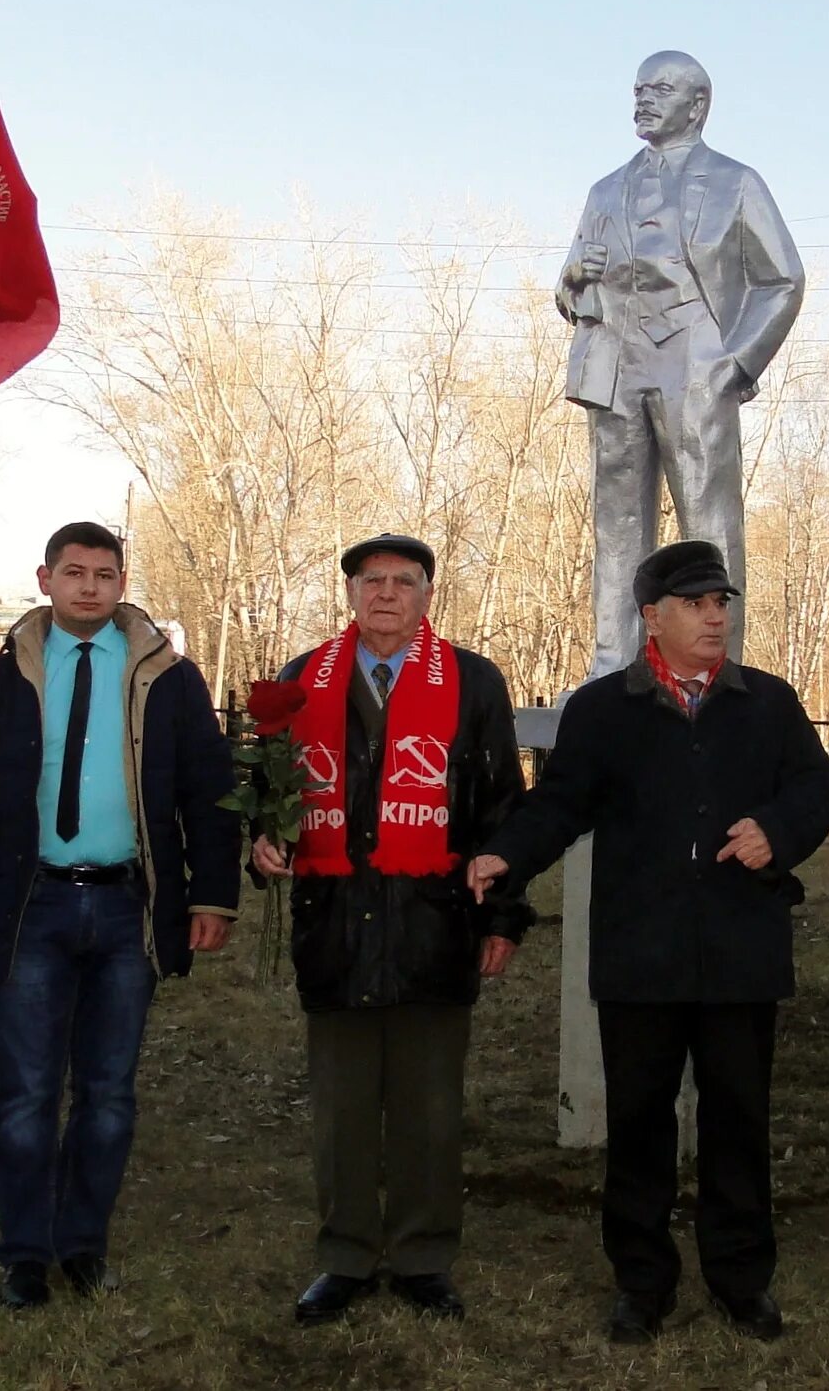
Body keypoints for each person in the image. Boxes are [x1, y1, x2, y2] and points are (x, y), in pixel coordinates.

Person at [469, 539, 829, 1344]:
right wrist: (508, 855)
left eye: (722, 603)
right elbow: (560, 804)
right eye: (698, 604)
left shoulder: (768, 703)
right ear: (653, 616)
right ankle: (642, 1281)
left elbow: (819, 787)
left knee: (739, 1120)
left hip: (741, 953)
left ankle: (742, 1279)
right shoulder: (605, 710)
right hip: (642, 955)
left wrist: (776, 830)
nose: (716, 617)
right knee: (639, 1124)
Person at [0, 521, 240, 1309]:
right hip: (32, 904)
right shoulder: (2, 681)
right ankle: (25, 1253)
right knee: (27, 1089)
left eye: (105, 573)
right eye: (74, 571)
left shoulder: (170, 680)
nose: (89, 586)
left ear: (121, 582)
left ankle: (83, 1245)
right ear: (46, 578)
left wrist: (210, 892)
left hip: (129, 908)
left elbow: (209, 792)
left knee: (108, 1090)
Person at [250, 532, 535, 1327]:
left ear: (426, 597)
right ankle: (344, 1253)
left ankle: (422, 1255)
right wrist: (263, 841)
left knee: (429, 1104)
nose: (385, 594)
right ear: (348, 594)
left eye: (403, 582)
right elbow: (268, 790)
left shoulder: (473, 681)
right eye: (369, 580)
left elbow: (501, 809)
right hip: (335, 922)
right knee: (341, 1105)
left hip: (434, 923)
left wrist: (503, 913)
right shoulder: (301, 678)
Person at [558, 51, 806, 675]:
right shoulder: (605, 189)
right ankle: (613, 666)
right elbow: (568, 292)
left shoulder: (736, 182)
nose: (642, 99)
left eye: (659, 90)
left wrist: (735, 363)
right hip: (615, 369)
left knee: (708, 524)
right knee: (616, 523)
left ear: (697, 105)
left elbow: (783, 279)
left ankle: (716, 670)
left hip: (697, 366)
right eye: (638, 88)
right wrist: (574, 277)